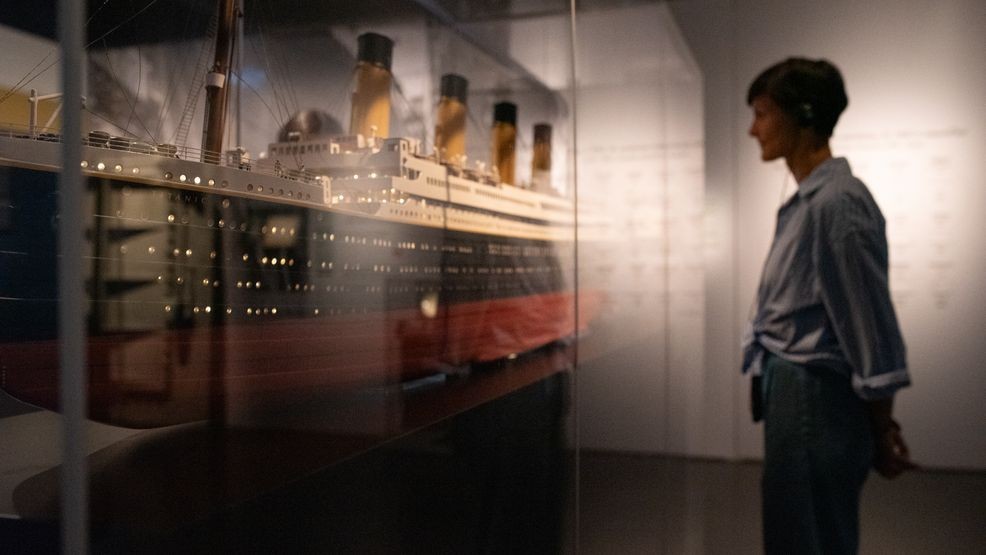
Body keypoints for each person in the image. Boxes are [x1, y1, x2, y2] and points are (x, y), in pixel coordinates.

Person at [741, 58, 917, 554]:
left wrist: (880, 428)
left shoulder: (836, 204)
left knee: (809, 540)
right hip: (797, 397)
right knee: (801, 535)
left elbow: (871, 329)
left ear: (802, 114)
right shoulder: (812, 203)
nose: (753, 129)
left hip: (814, 403)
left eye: (762, 112)